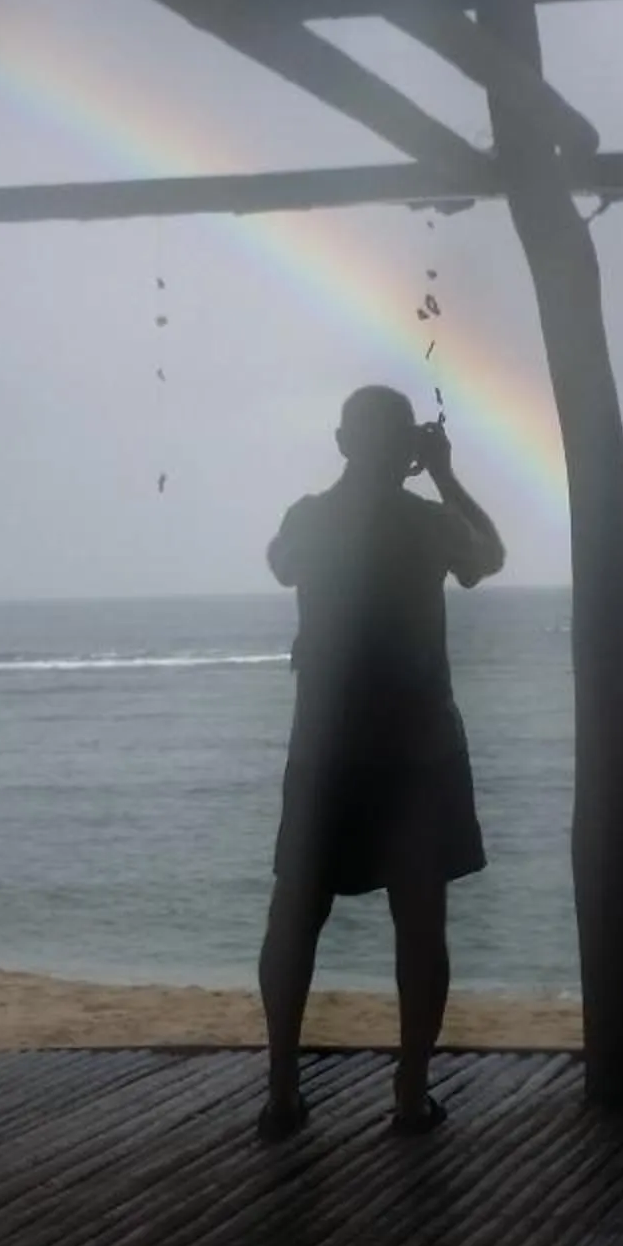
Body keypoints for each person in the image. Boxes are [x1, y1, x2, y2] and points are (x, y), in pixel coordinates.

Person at [258, 384, 506, 1140]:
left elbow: (282, 564)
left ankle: (281, 1089)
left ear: (340, 443)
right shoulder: (427, 521)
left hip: (325, 747)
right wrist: (444, 472)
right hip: (417, 749)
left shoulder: (309, 520)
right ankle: (408, 1090)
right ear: (406, 448)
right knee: (421, 922)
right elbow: (489, 556)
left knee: (296, 915)